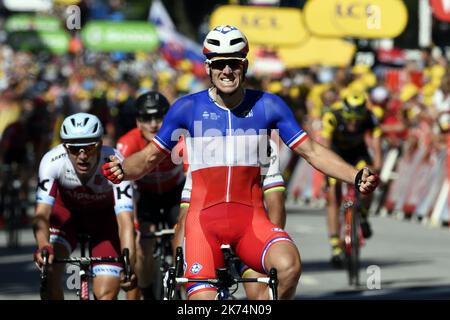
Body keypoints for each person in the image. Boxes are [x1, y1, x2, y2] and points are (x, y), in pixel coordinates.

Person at [102, 25, 379, 300]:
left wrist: (354, 175)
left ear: (244, 66)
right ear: (208, 68)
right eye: (220, 64)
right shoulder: (187, 108)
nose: (227, 71)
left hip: (250, 222)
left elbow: (312, 152)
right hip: (203, 225)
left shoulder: (269, 105)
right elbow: (150, 157)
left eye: (233, 63)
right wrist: (122, 168)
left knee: (289, 266)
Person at [33, 112, 136, 300]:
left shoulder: (114, 163)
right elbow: (42, 214)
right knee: (49, 279)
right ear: (65, 147)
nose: (82, 156)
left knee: (105, 294)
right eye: (74, 149)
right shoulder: (52, 162)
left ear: (99, 145)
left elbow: (125, 221)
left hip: (104, 224)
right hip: (66, 220)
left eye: (89, 148)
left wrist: (129, 264)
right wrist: (43, 245)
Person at [176, 135, 286, 299]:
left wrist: (268, 249)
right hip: (208, 226)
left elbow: (275, 203)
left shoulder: (266, 144)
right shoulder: (200, 142)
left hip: (249, 228)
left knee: (259, 293)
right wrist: (180, 270)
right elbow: (185, 216)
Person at [116, 91, 185, 300]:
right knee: (144, 246)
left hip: (176, 194)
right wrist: (133, 225)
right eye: (147, 119)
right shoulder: (126, 144)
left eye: (159, 117)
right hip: (146, 198)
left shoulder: (180, 138)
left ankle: (185, 290)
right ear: (138, 122)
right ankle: (148, 295)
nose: (154, 124)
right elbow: (121, 191)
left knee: (183, 245)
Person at [321, 91, 382, 267]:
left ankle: (363, 215)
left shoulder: (371, 117)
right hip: (335, 154)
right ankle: (335, 245)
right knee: (333, 194)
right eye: (350, 120)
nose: (354, 124)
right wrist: (329, 169)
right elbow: (325, 146)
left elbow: (377, 147)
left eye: (357, 121)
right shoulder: (332, 116)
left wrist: (378, 167)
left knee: (371, 176)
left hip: (358, 154)